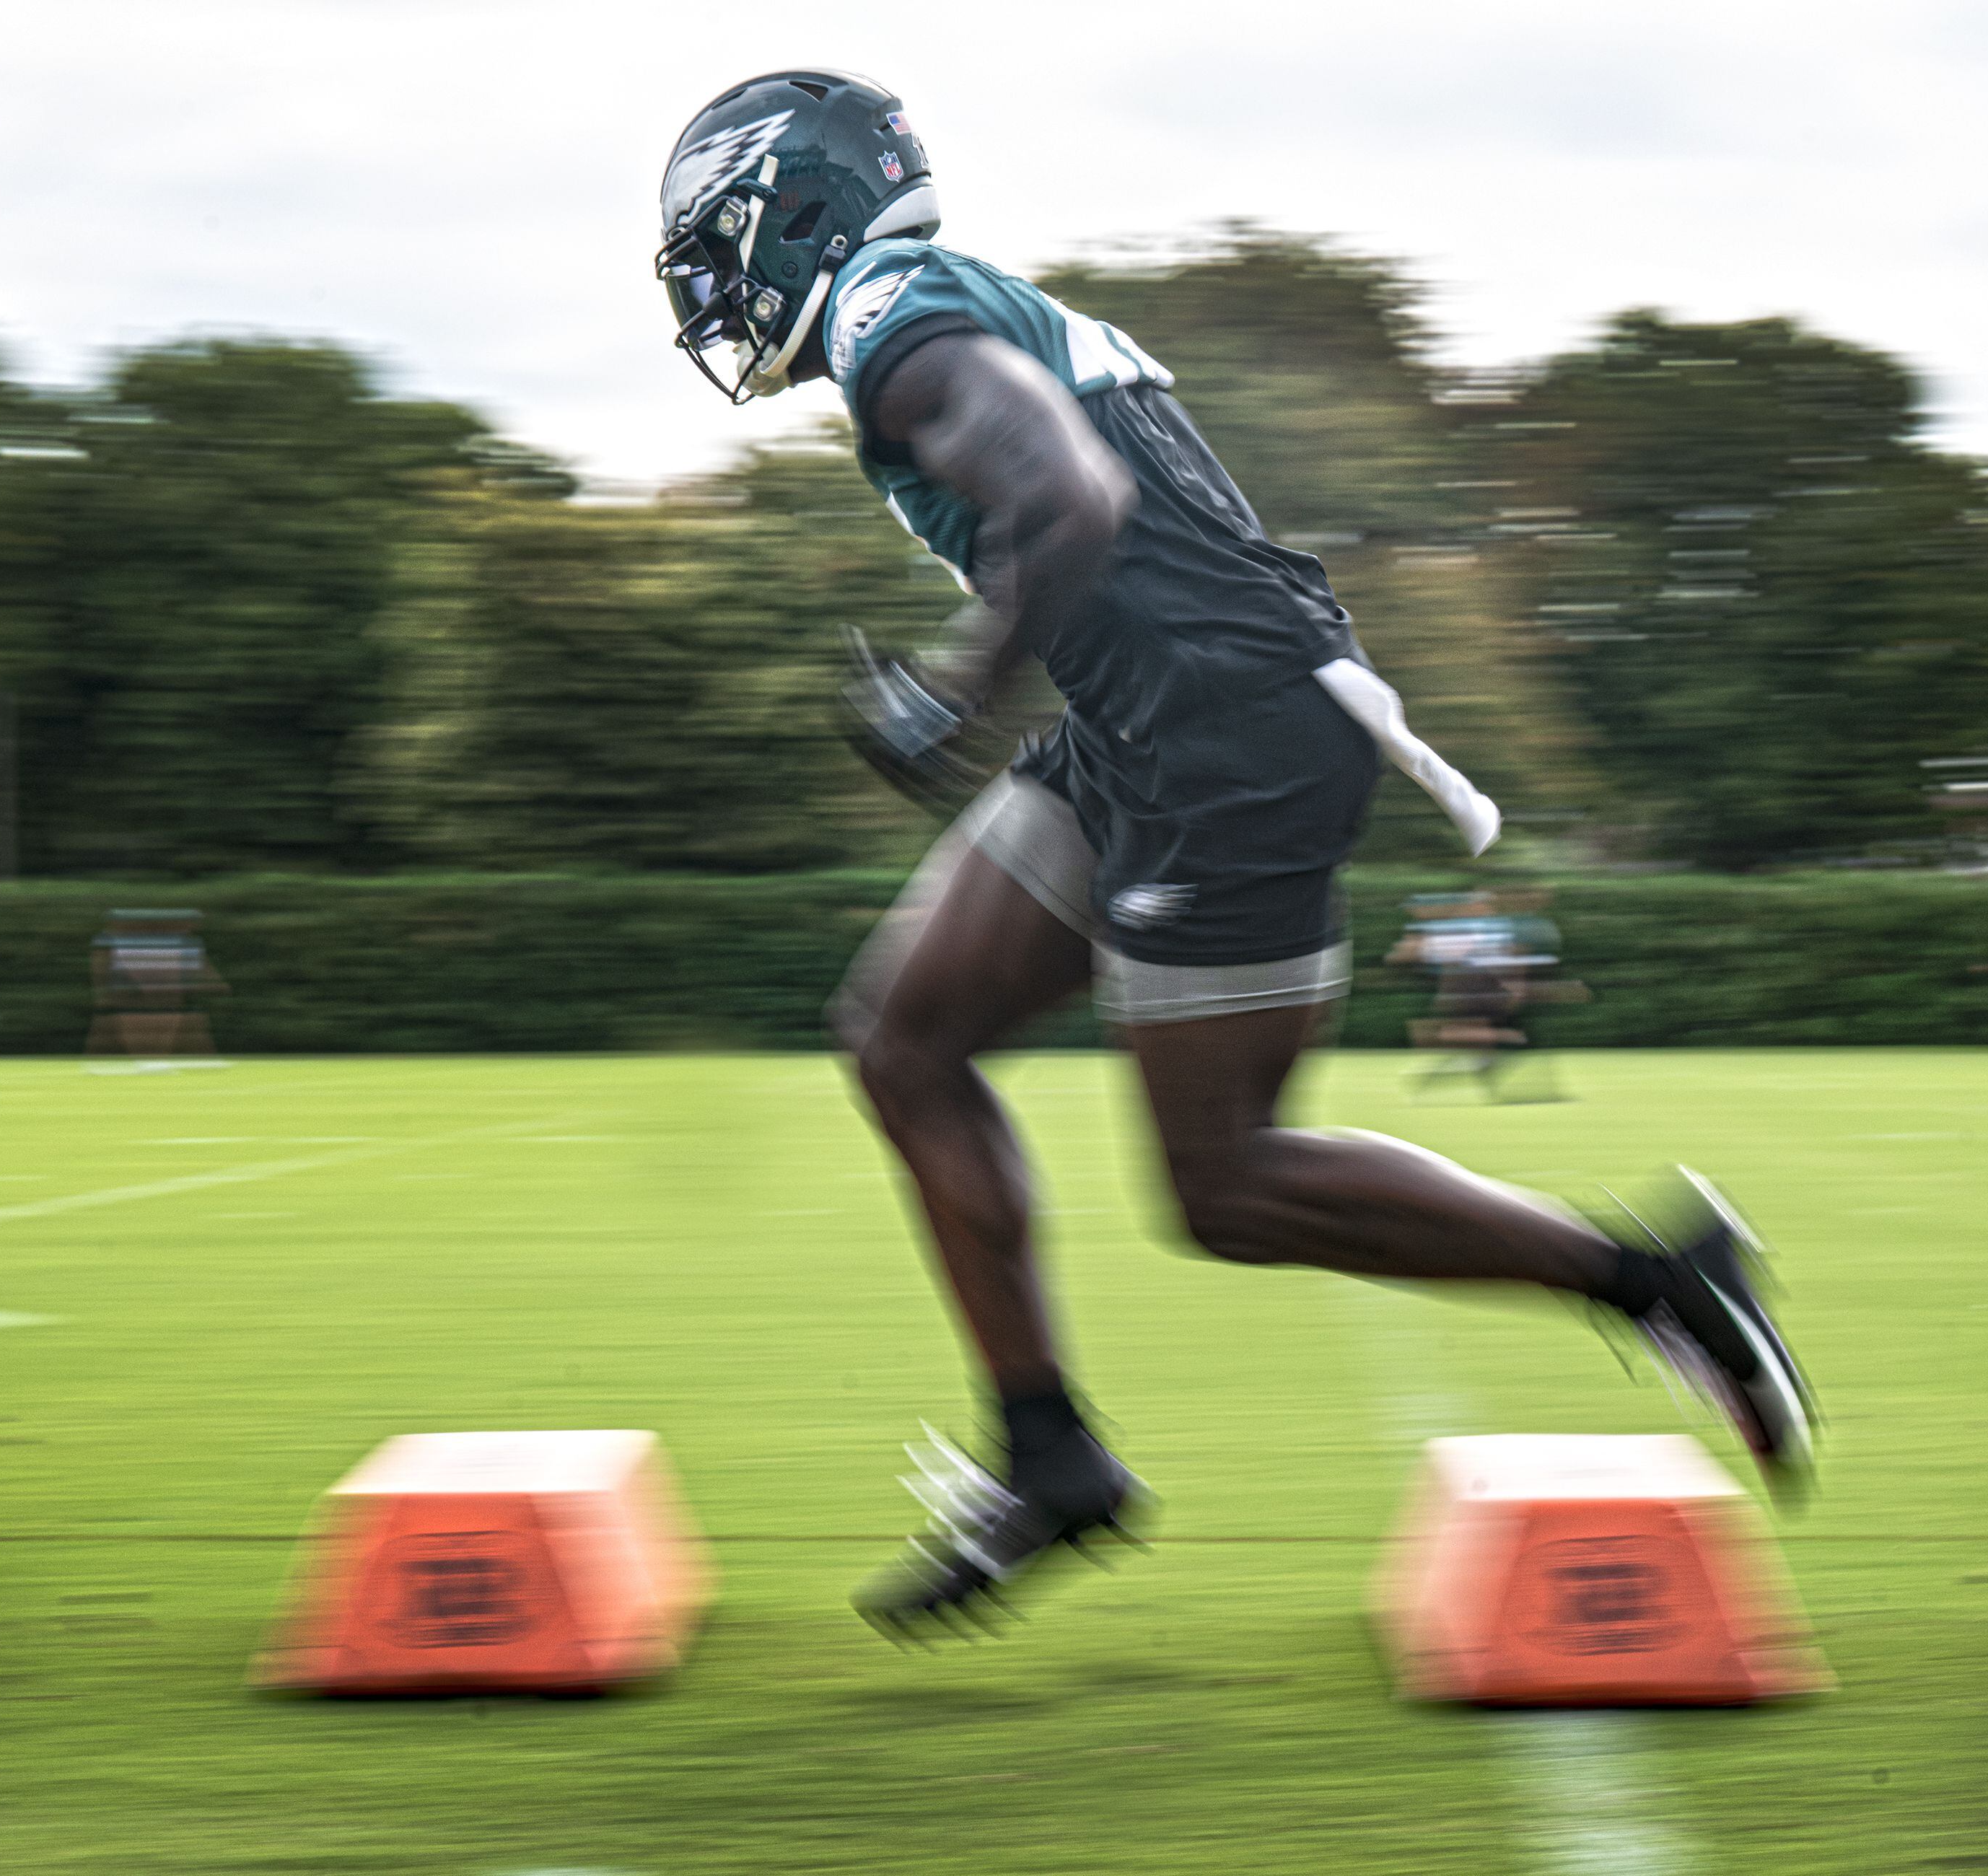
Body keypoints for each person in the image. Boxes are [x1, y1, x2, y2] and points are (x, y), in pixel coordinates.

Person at [654, 71, 1816, 1636]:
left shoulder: (883, 308)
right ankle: (1048, 1456)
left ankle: (1658, 1278)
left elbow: (1071, 493)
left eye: (714, 252)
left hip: (1234, 734)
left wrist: (952, 683)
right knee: (902, 1037)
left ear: (786, 208)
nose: (716, 298)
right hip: (1147, 725)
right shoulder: (925, 303)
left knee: (1228, 1186)